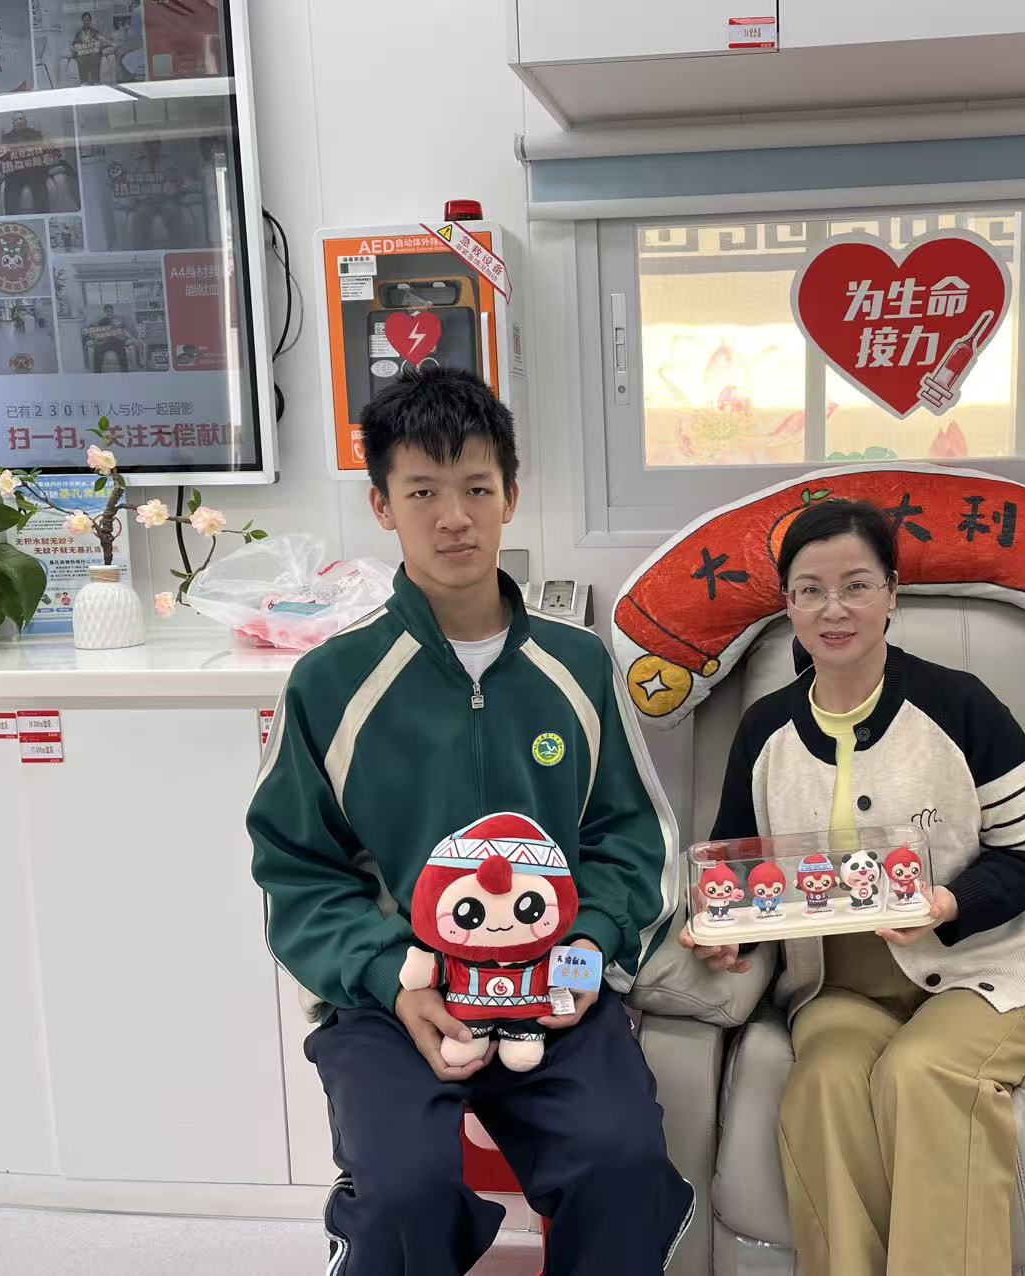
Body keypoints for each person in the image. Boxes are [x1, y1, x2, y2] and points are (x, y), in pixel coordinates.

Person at [248, 366, 693, 1276]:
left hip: (552, 986)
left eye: (477, 489)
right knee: (403, 1191)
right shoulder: (330, 683)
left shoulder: (578, 664)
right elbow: (298, 871)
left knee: (623, 1165)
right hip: (392, 997)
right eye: (422, 492)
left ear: (511, 497)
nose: (454, 517)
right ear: (382, 505)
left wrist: (584, 954)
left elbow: (631, 839)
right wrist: (391, 979)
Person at [682, 498, 1025, 1276]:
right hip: (839, 986)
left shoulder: (964, 707)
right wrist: (724, 934)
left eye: (856, 585)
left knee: (919, 1073)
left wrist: (950, 904)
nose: (834, 609)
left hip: (979, 974)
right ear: (788, 605)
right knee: (822, 1085)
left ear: (892, 592)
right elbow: (742, 878)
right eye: (810, 590)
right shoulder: (763, 732)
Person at [70, 12, 113, 85]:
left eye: (88, 20)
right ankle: (84, 82)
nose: (86, 22)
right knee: (80, 58)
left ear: (90, 21)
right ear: (82, 21)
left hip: (93, 54)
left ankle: (95, 81)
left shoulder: (95, 32)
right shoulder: (79, 33)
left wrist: (109, 43)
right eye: (85, 20)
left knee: (96, 56)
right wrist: (75, 49)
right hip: (83, 55)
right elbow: (73, 44)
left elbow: (102, 40)